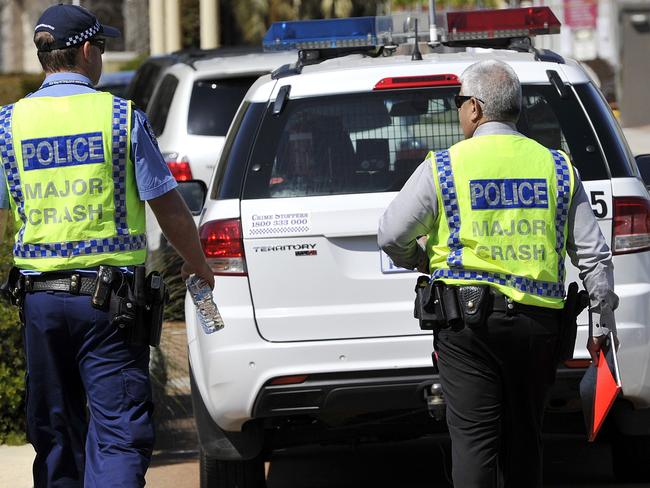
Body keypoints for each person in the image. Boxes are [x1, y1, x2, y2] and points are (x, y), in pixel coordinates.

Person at [0, 4, 214, 487]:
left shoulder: (9, 125)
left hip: (39, 305)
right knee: (118, 434)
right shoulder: (120, 119)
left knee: (56, 434)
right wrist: (198, 265)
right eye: (101, 47)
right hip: (110, 308)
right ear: (86, 51)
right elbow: (170, 208)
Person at [378, 60, 618, 488]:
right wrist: (601, 324)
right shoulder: (557, 167)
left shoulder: (446, 166)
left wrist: (421, 262)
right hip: (538, 328)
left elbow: (391, 234)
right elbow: (594, 255)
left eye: (457, 103)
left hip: (467, 329)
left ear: (474, 107)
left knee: (474, 444)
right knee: (526, 440)